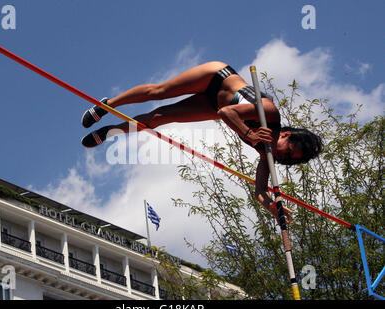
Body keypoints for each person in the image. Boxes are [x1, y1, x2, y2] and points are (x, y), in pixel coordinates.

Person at [80, 61, 323, 224]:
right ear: (286, 135)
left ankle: (111, 131)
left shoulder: (265, 154)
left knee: (159, 118)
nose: (285, 158)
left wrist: (271, 206)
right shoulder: (269, 113)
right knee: (159, 91)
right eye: (290, 152)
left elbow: (259, 191)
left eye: (291, 161)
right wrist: (248, 134)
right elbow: (228, 113)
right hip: (216, 77)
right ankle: (107, 105)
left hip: (213, 104)